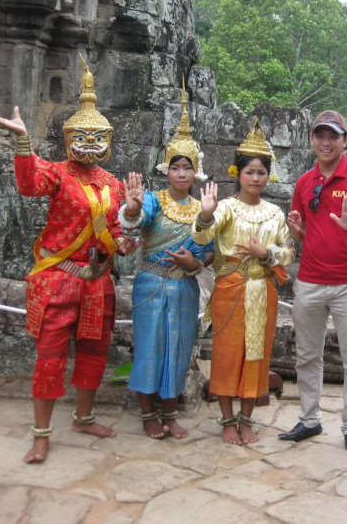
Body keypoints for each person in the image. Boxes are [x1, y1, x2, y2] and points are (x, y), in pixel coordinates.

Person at [0, 55, 138, 463]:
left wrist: (126, 240)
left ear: (109, 140)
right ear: (70, 139)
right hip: (60, 278)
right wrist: (22, 142)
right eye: (81, 138)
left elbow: (118, 232)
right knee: (50, 357)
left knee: (93, 352)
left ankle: (84, 417)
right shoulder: (56, 173)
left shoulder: (113, 184)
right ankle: (41, 432)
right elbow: (29, 184)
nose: (90, 146)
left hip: (98, 281)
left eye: (97, 139)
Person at [278, 110, 347, 454]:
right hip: (309, 280)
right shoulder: (305, 182)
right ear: (311, 140)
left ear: (345, 140)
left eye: (332, 136)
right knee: (306, 356)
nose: (325, 142)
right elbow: (307, 233)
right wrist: (298, 233)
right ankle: (309, 419)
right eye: (319, 136)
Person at [192, 118, 295, 445]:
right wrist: (206, 213)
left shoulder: (275, 214)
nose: (255, 178)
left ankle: (247, 418)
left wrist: (266, 254)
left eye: (261, 172)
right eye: (249, 171)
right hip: (230, 289)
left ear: (269, 175)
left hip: (262, 291)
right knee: (226, 354)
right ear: (238, 173)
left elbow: (289, 252)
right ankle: (226, 419)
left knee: (256, 355)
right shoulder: (226, 208)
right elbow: (202, 235)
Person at [121, 83, 215, 440]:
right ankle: (147, 414)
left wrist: (195, 261)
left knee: (178, 348)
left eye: (186, 168)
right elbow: (134, 222)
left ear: (196, 173)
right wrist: (131, 205)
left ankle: (170, 412)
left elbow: (209, 248)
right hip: (150, 283)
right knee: (149, 348)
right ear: (166, 169)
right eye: (175, 167)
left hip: (184, 286)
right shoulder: (153, 200)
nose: (180, 173)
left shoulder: (201, 206)